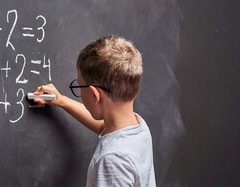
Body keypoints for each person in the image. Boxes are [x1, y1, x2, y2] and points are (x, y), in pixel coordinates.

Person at [33, 35, 156, 187]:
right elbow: (102, 126)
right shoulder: (137, 127)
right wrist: (62, 101)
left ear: (94, 94)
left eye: (79, 86)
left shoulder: (113, 160)